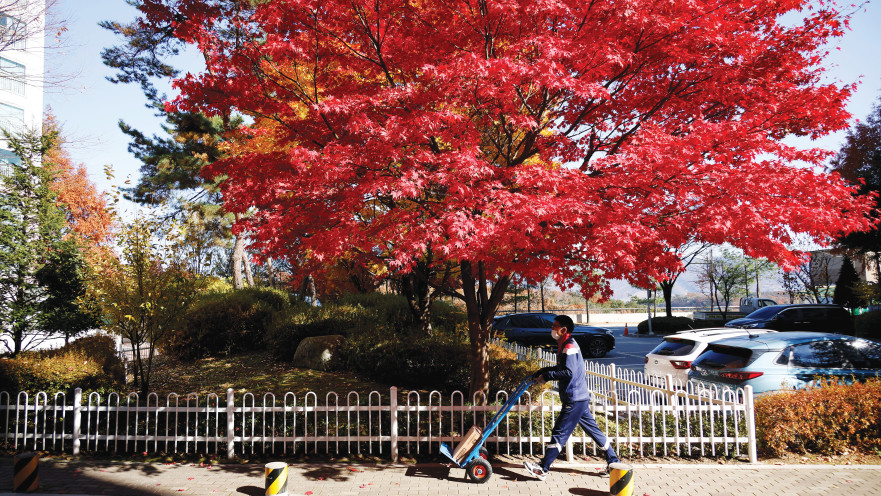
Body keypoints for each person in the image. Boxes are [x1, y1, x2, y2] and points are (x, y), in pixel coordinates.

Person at [523, 314, 619, 481]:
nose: (552, 329)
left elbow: (568, 372)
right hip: (579, 397)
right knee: (594, 431)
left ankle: (543, 468)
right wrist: (544, 371)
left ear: (563, 329)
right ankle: (614, 462)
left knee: (559, 432)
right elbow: (562, 367)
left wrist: (548, 376)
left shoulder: (570, 346)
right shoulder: (565, 344)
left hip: (574, 398)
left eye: (555, 326)